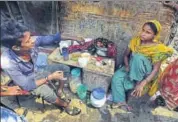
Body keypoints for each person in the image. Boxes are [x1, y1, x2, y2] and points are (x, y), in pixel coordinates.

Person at [0, 19, 84, 115]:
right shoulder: (8, 62)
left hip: (37, 71)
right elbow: (27, 85)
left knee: (65, 69)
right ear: (16, 47)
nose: (33, 41)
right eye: (28, 41)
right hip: (28, 81)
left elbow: (52, 38)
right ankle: (64, 105)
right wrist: (49, 77)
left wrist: (75, 38)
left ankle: (60, 91)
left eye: (30, 36)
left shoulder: (31, 41)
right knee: (47, 92)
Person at [111, 20, 173, 110]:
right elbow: (126, 55)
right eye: (143, 30)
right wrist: (127, 66)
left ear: (154, 36)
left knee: (138, 57)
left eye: (148, 32)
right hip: (132, 67)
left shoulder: (157, 48)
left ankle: (137, 82)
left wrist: (143, 83)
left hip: (145, 74)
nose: (143, 34)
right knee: (116, 77)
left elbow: (155, 70)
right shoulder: (136, 40)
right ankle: (120, 101)